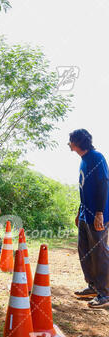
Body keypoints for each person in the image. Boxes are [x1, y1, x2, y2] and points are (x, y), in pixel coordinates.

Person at [69, 129, 109, 308]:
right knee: (84, 250)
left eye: (70, 141)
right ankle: (93, 286)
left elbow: (103, 184)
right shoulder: (83, 161)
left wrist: (100, 212)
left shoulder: (97, 157)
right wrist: (79, 212)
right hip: (85, 214)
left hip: (98, 215)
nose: (69, 144)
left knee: (99, 252)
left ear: (78, 142)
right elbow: (83, 189)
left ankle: (105, 292)